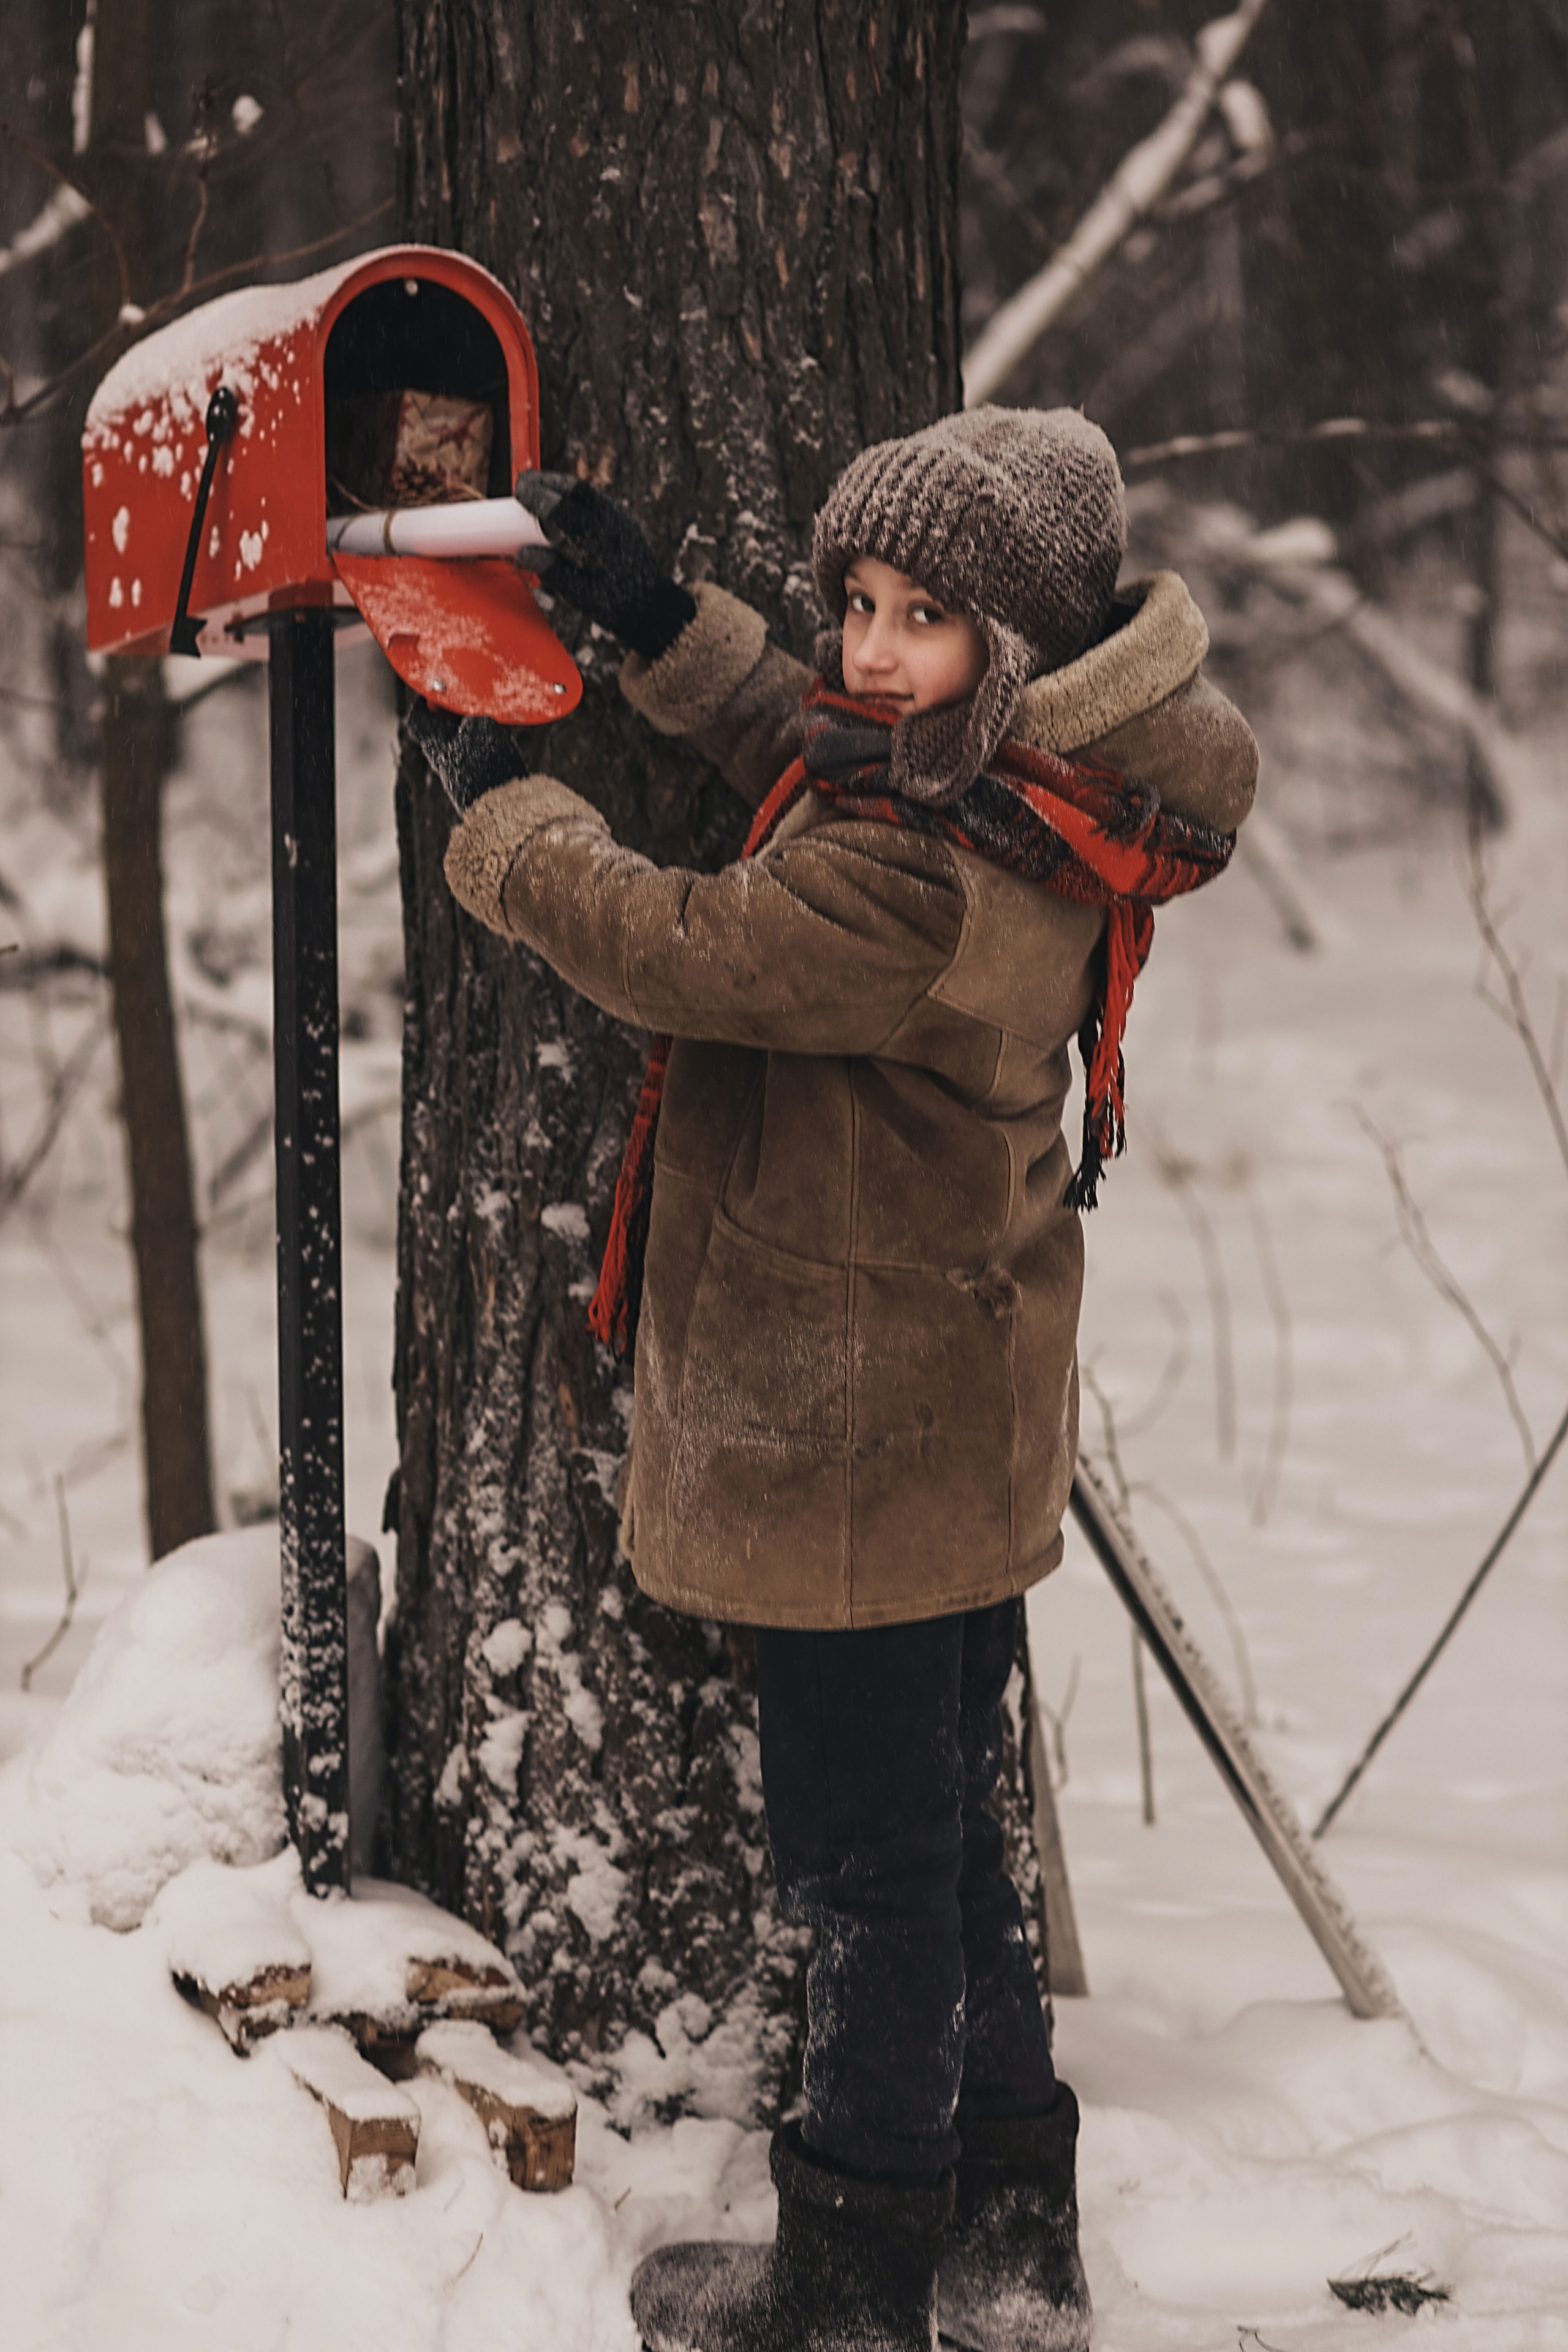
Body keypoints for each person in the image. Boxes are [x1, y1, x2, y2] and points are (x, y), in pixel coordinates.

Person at [410, 407, 1257, 2352]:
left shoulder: (928, 888)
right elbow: (810, 749)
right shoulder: (1022, 793)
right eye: (856, 602)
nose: (868, 651)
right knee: (946, 1833)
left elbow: (682, 941)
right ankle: (1009, 2226)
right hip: (949, 1410)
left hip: (865, 1435)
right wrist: (660, 624)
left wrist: (507, 816)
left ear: (1013, 659)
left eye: (920, 619)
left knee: (868, 1872)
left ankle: (858, 2280)